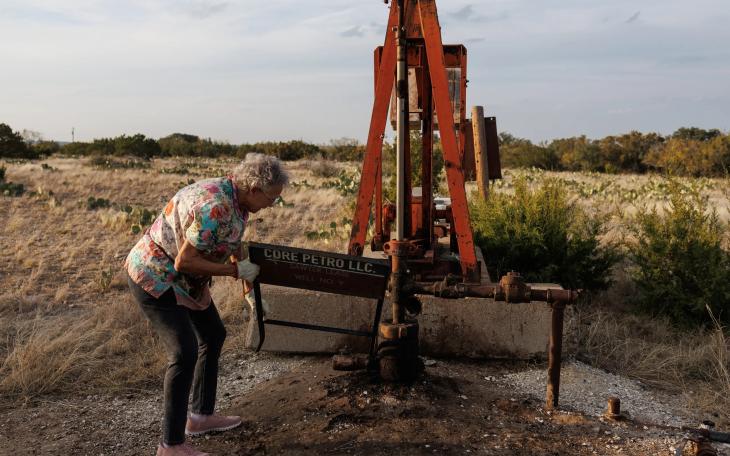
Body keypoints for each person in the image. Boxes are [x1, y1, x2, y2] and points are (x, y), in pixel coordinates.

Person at [125, 153, 289, 456]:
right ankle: (170, 446)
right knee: (183, 351)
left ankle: (200, 417)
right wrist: (234, 271)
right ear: (253, 188)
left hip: (185, 281)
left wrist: (248, 288)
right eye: (271, 198)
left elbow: (232, 239)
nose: (272, 204)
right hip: (156, 275)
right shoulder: (217, 206)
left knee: (213, 335)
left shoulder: (238, 200)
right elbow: (185, 261)